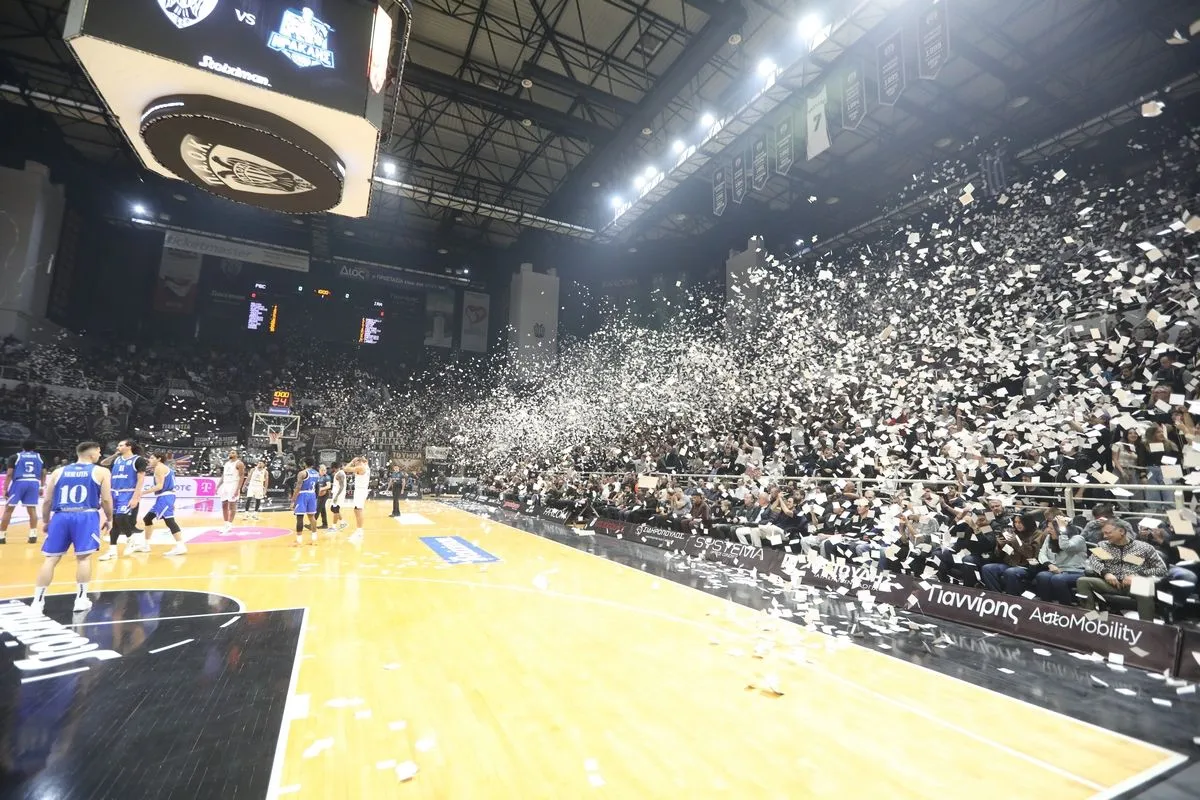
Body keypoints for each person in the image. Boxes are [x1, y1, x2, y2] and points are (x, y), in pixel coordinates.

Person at [32, 441, 113, 614]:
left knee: (50, 559)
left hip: (61, 516)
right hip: (86, 516)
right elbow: (106, 499)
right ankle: (81, 600)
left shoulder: (58, 471)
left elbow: (47, 500)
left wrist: (46, 521)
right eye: (99, 452)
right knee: (83, 559)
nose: (100, 455)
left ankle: (37, 602)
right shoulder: (102, 471)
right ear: (92, 454)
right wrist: (110, 518)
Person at [1075, 519, 1167, 620]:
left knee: (1145, 587)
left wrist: (1137, 575)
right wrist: (1106, 573)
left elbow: (1161, 569)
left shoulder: (1144, 547)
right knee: (1082, 581)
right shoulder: (1103, 545)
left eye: (1108, 533)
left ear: (1121, 531)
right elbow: (1093, 562)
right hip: (1110, 584)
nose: (1105, 536)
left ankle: (1146, 625)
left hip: (1133, 585)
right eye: (1104, 533)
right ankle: (1091, 620)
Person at [99, 439, 149, 560]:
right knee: (115, 523)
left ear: (129, 446)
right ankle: (112, 551)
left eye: (121, 445)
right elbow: (103, 463)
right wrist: (115, 454)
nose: (118, 447)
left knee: (120, 517)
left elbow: (141, 480)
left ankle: (130, 539)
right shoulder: (117, 459)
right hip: (114, 493)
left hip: (128, 493)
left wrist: (136, 497)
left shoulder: (138, 460)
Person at [143, 452, 186, 557]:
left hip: (165, 497)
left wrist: (142, 493)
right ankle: (146, 545)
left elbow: (159, 486)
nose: (149, 460)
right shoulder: (164, 468)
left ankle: (180, 546)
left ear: (158, 459)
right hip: (165, 497)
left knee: (169, 521)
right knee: (147, 518)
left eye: (152, 458)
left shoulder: (159, 468)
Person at [1, 439, 44, 544]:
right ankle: (33, 534)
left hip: (19, 482)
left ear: (22, 446)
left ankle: (1, 536)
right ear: (35, 447)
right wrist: (42, 486)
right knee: (32, 509)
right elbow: (44, 472)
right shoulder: (40, 457)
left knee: (9, 509)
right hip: (34, 483)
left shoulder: (15, 457)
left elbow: (9, 474)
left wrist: (5, 489)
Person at [291, 457, 319, 546]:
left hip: (303, 494)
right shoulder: (316, 473)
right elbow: (317, 487)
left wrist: (293, 500)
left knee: (300, 517)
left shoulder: (302, 473)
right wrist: (316, 497)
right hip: (312, 494)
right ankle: (314, 539)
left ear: (305, 464)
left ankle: (299, 541)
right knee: (312, 517)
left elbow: (298, 487)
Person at [217, 449, 246, 532]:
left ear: (237, 455)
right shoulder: (226, 463)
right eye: (230, 452)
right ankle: (225, 524)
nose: (230, 454)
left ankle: (229, 525)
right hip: (225, 485)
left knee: (232, 505)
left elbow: (241, 476)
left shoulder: (239, 463)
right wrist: (218, 486)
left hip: (233, 485)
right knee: (224, 504)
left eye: (233, 452)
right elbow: (223, 475)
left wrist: (238, 489)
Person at [343, 456, 370, 541]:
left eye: (355, 463)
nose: (354, 465)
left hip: (360, 491)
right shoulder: (366, 466)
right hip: (361, 490)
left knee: (358, 510)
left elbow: (345, 469)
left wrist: (352, 461)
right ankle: (359, 530)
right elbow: (365, 461)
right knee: (356, 510)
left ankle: (359, 532)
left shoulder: (360, 467)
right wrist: (361, 459)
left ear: (358, 462)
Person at [329, 461, 347, 531]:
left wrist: (336, 496)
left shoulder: (340, 474)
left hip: (339, 494)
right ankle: (343, 522)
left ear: (334, 468)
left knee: (335, 509)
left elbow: (341, 487)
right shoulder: (339, 473)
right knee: (333, 509)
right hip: (336, 493)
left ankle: (334, 527)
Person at [315, 464, 331, 529]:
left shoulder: (327, 477)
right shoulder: (317, 476)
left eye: (325, 470)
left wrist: (321, 489)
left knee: (318, 509)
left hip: (324, 495)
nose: (324, 471)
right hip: (319, 495)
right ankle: (325, 524)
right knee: (322, 509)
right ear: (319, 470)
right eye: (322, 470)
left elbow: (328, 486)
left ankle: (312, 524)